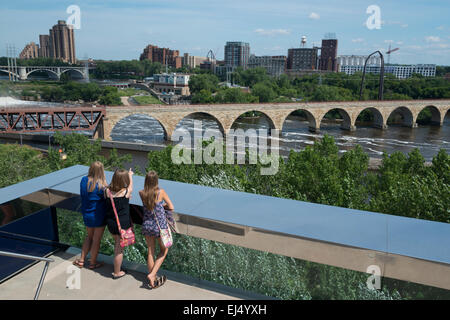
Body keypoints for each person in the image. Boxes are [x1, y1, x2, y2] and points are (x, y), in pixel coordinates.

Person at [139, 171, 174, 289]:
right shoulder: (161, 192)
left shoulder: (141, 193)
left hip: (147, 225)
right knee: (164, 251)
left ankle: (152, 282)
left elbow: (148, 205)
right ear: (156, 181)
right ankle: (152, 274)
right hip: (160, 227)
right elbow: (171, 207)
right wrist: (161, 206)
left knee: (150, 252)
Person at [74, 161, 108, 270]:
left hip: (87, 214)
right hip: (99, 216)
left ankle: (81, 260)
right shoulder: (102, 186)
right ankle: (93, 263)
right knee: (96, 239)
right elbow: (108, 197)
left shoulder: (83, 180)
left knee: (89, 237)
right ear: (101, 171)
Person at [105, 168, 133, 279]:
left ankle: (118, 267)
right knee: (119, 248)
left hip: (111, 223)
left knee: (117, 243)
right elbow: (131, 186)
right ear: (124, 180)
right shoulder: (126, 192)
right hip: (123, 225)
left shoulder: (107, 191)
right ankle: (117, 272)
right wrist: (130, 175)